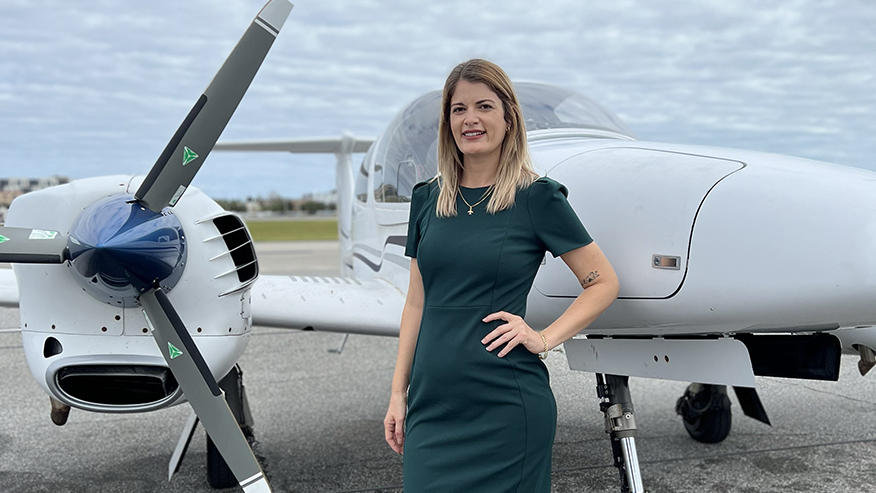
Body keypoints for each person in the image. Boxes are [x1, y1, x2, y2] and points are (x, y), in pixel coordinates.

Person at [383, 59, 619, 492]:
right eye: (458, 109)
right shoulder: (426, 199)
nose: (470, 119)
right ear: (447, 122)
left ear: (508, 118)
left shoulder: (538, 198)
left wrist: (545, 338)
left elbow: (602, 281)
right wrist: (399, 393)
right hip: (432, 406)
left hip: (506, 405)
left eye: (484, 106)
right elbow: (416, 303)